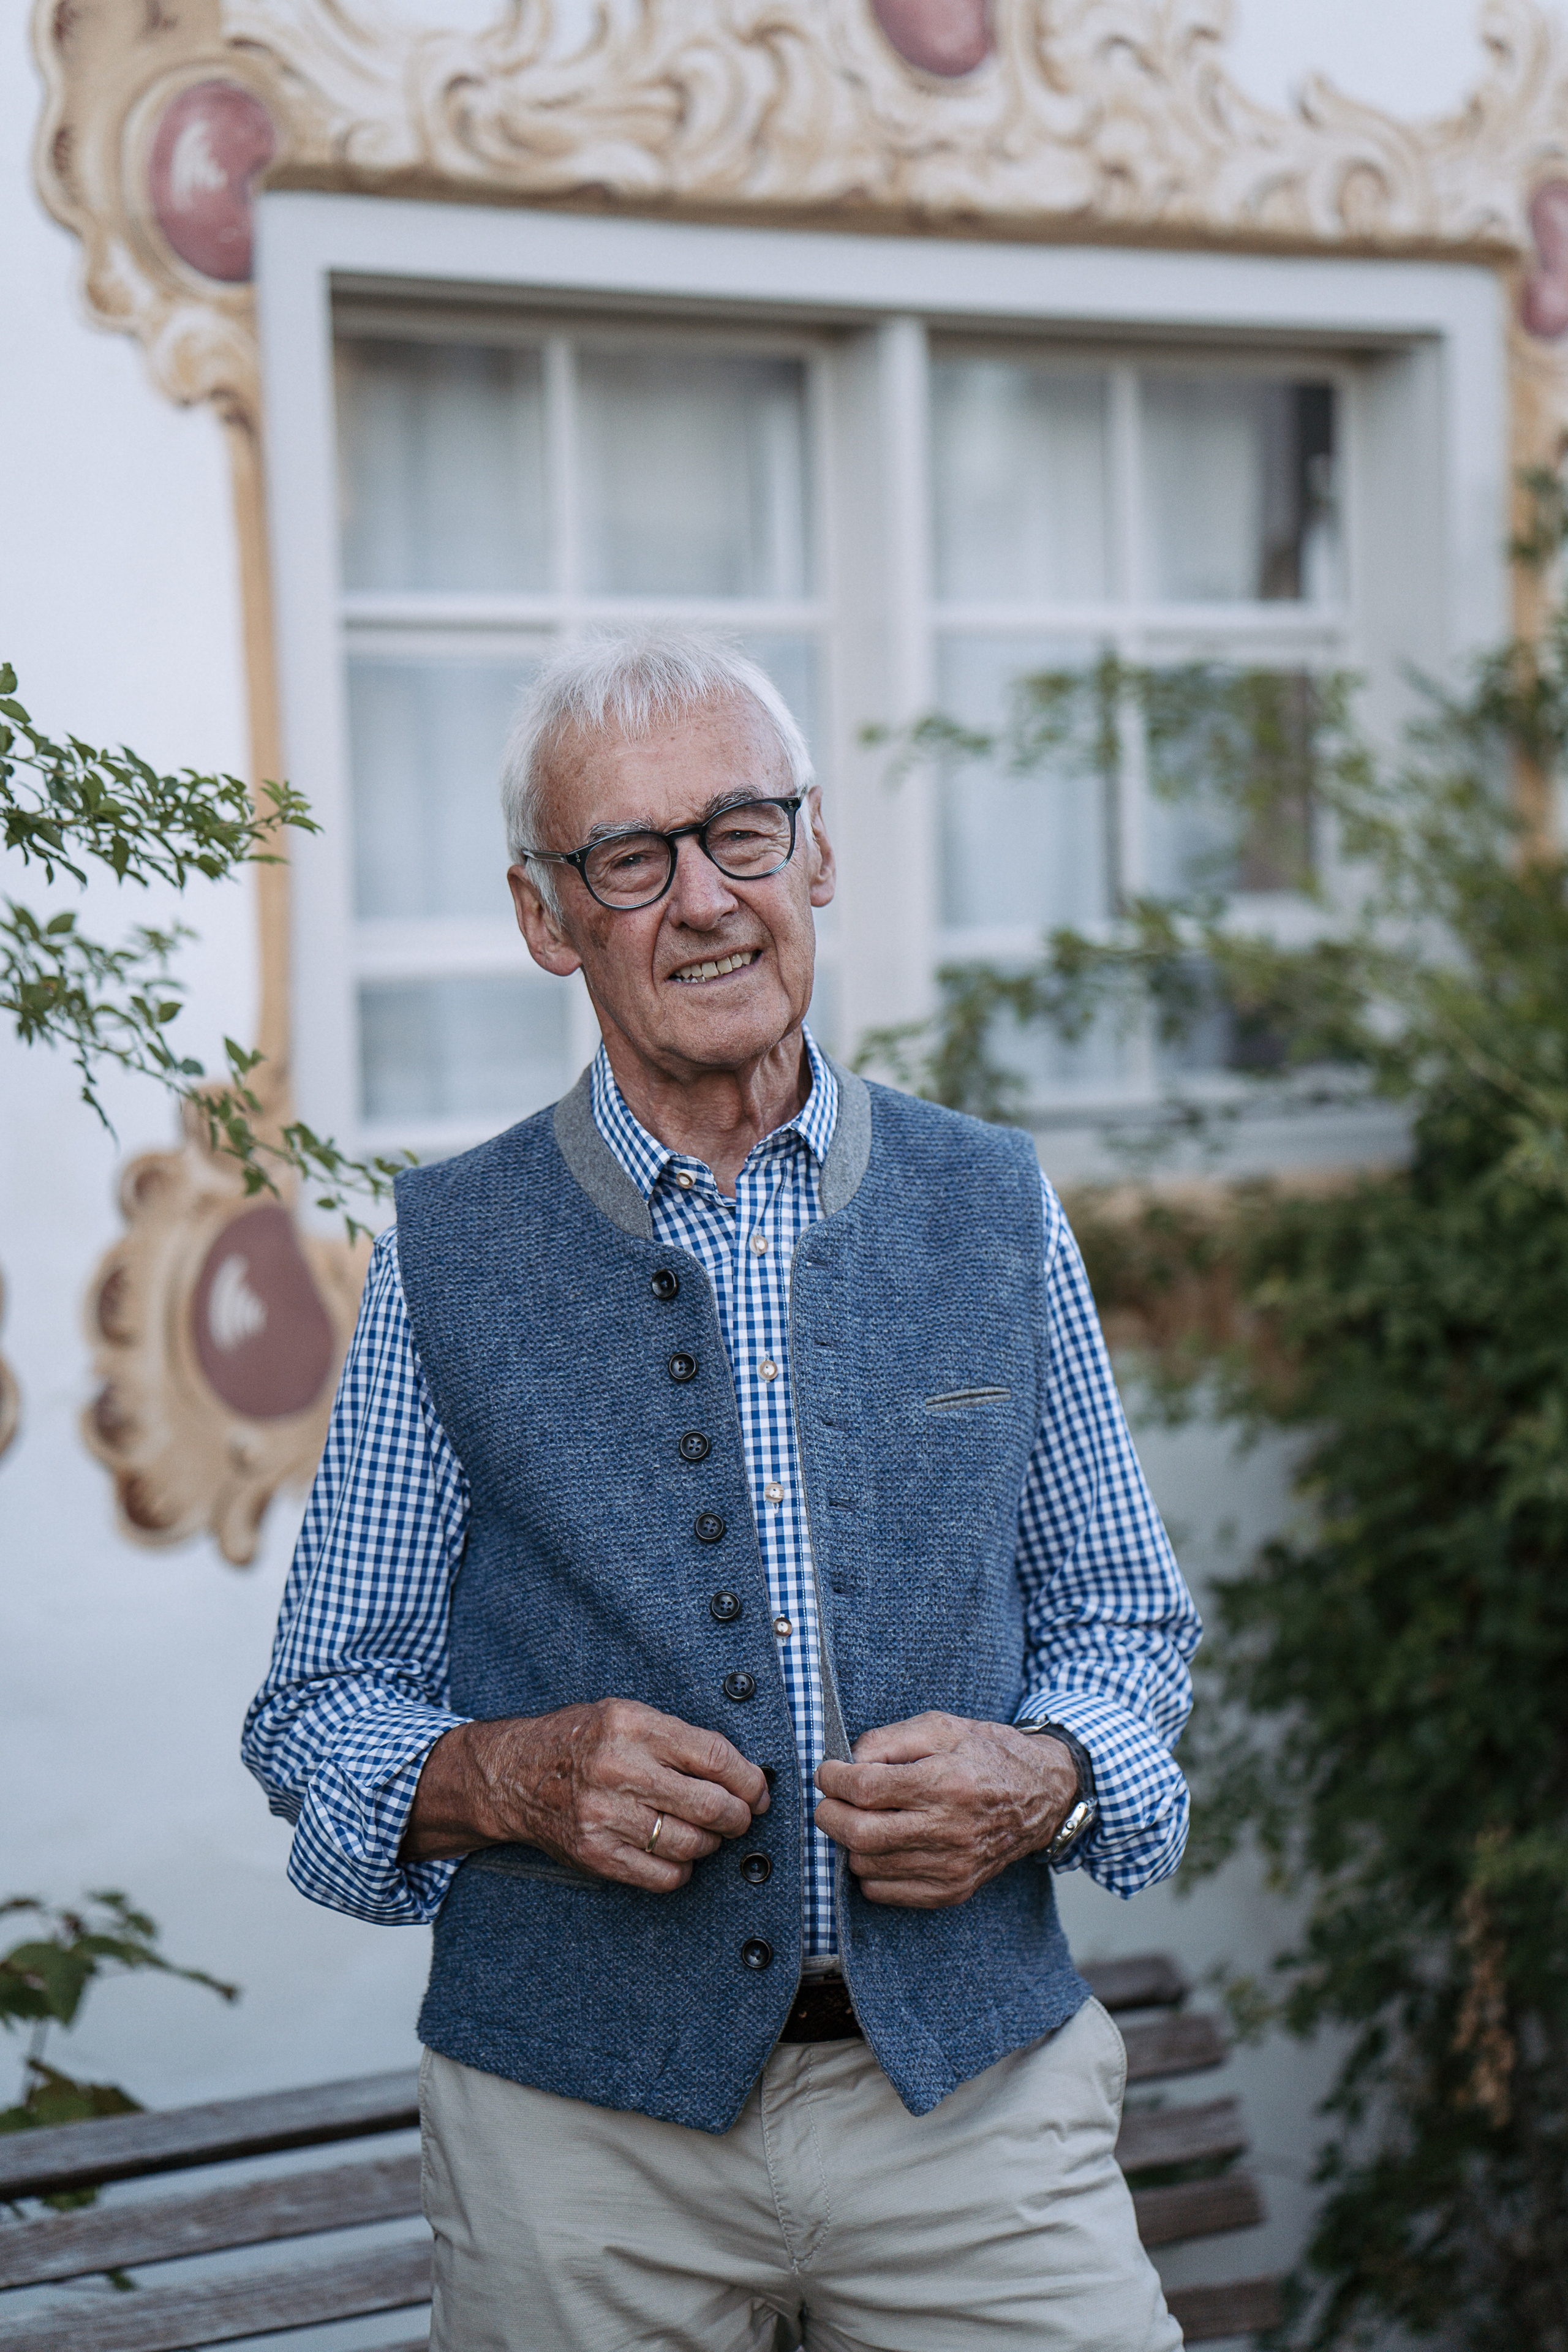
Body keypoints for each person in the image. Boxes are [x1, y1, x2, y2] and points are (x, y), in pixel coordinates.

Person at [243, 628, 1201, 2351]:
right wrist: (505, 1777)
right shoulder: (447, 1253)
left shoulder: (990, 1204)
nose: (705, 900)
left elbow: (1123, 1620)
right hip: (578, 2145)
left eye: (743, 833)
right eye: (632, 857)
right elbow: (319, 1709)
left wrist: (1045, 1777)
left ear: (814, 853)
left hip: (976, 2118)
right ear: (548, 918)